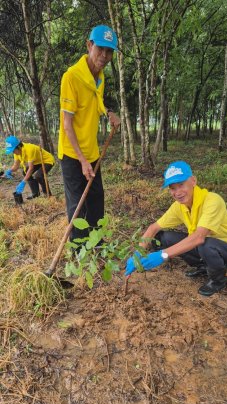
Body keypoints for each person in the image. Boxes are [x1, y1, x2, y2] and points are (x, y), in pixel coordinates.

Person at [126, 161, 227, 296]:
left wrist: (162, 255)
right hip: (206, 245)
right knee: (164, 237)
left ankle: (218, 280)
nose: (178, 192)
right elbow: (153, 228)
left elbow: (199, 237)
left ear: (193, 181)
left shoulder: (212, 200)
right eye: (173, 188)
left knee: (204, 243)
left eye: (181, 185)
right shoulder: (179, 206)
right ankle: (204, 266)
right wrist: (137, 254)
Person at [58, 24, 121, 242]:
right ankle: (78, 249)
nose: (104, 56)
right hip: (72, 154)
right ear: (89, 45)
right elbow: (67, 125)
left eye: (109, 51)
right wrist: (82, 160)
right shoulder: (72, 77)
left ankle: (97, 243)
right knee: (77, 204)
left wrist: (109, 112)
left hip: (92, 151)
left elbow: (97, 101)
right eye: (100, 49)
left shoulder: (100, 76)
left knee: (96, 200)